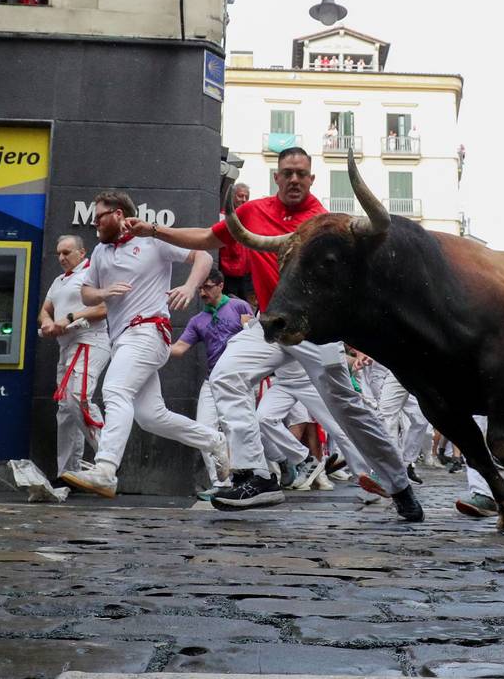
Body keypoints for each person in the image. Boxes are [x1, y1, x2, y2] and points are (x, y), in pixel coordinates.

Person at [121, 147, 423, 521]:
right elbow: (205, 239)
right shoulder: (252, 212)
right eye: (287, 172)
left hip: (314, 329)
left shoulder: (328, 222)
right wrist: (152, 229)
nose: (294, 179)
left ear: (311, 179)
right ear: (277, 177)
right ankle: (255, 476)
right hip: (269, 324)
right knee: (226, 375)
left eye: (301, 173)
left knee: (347, 406)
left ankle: (398, 484)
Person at [60, 191, 229, 499]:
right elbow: (86, 292)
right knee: (151, 416)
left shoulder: (152, 239)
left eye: (100, 215)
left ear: (120, 214)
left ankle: (106, 469)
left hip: (148, 331)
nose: (94, 221)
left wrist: (190, 286)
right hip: (124, 339)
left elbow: (203, 255)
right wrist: (104, 292)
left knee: (115, 391)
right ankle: (214, 440)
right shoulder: (99, 252)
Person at [168, 268, 254, 499]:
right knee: (204, 430)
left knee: (240, 429)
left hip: (239, 381)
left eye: (207, 287)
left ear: (220, 285)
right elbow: (178, 349)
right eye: (200, 288)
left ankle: (252, 477)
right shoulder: (197, 321)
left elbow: (253, 338)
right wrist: (152, 346)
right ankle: (220, 483)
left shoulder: (239, 307)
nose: (203, 292)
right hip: (211, 381)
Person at [37, 234, 110, 480]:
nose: (61, 257)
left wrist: (69, 319)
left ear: (82, 252)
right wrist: (48, 323)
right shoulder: (59, 280)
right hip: (65, 346)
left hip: (89, 341)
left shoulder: (92, 273)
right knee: (65, 409)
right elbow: (45, 310)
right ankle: (68, 472)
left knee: (78, 398)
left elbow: (104, 308)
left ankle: (108, 460)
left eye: (67, 252)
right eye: (58, 253)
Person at [216, 183, 256, 308]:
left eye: (246, 197)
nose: (244, 199)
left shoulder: (250, 219)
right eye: (240, 196)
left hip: (245, 275)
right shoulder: (222, 218)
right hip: (228, 273)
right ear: (232, 197)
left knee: (245, 309)